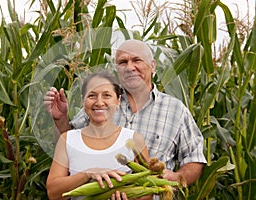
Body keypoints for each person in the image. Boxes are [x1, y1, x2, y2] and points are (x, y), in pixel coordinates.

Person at [44, 39, 207, 187]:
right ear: (117, 68)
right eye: (123, 62)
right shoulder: (101, 105)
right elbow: (70, 148)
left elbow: (194, 157)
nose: (130, 67)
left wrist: (178, 177)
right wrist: (60, 119)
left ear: (153, 66)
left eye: (137, 60)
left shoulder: (176, 110)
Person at [46, 71, 150, 200]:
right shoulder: (68, 139)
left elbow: (148, 192)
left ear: (118, 101)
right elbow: (53, 193)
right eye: (92, 95)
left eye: (107, 95)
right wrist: (87, 174)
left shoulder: (134, 139)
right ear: (83, 101)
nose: (99, 102)